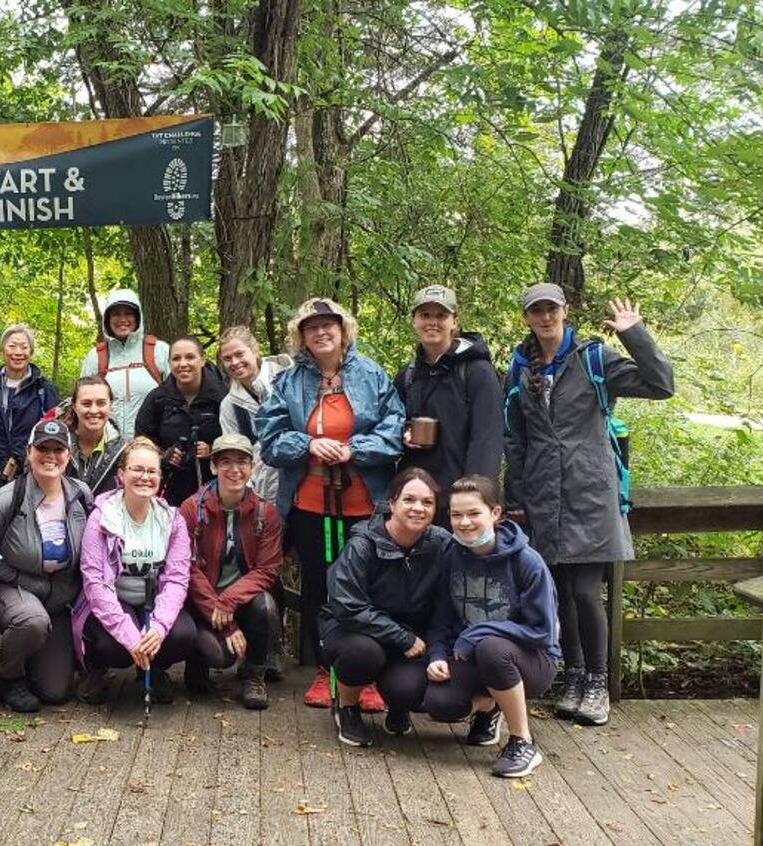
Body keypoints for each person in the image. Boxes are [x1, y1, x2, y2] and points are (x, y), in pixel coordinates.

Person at [504, 283, 673, 727]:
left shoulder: (594, 358)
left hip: (590, 490)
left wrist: (634, 334)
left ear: (565, 310)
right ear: (527, 317)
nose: (545, 317)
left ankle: (597, 680)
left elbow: (661, 384)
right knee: (559, 592)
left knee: (584, 591)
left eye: (551, 309)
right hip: (543, 493)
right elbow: (514, 436)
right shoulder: (521, 366)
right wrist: (516, 497)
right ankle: (573, 675)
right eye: (536, 311)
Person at [255, 297, 404, 710]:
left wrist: (354, 449)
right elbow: (269, 437)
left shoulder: (372, 375)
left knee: (368, 588)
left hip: (365, 503)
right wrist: (309, 443)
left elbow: (394, 430)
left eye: (328, 325)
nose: (321, 333)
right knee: (319, 587)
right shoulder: (289, 382)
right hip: (310, 504)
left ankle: (366, 673)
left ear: (343, 330)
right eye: (311, 327)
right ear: (301, 336)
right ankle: (327, 670)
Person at [424, 475, 561, 778]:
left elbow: (542, 632)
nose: (464, 522)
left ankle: (523, 741)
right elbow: (441, 619)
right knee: (439, 702)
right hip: (474, 656)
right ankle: (491, 707)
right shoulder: (452, 556)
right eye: (456, 515)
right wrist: (436, 655)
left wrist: (477, 633)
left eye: (474, 513)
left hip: (533, 660)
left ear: (495, 513)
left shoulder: (527, 562)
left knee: (492, 647)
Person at [0, 420, 93, 711]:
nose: (51, 455)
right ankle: (8, 676)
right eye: (43, 448)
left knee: (55, 690)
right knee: (33, 622)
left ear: (69, 454)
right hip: (14, 588)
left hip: (60, 597)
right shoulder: (7, 499)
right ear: (29, 452)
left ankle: (36, 657)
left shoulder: (80, 495)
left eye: (58, 449)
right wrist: (10, 575)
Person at [320, 468, 451, 747]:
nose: (418, 508)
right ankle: (347, 708)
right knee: (362, 654)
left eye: (427, 502)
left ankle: (398, 704)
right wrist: (401, 637)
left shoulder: (442, 544)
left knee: (409, 690)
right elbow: (347, 606)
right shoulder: (362, 544)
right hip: (354, 630)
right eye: (409, 500)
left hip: (411, 635)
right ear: (392, 503)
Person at [73, 437, 198, 703]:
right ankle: (97, 670)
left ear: (160, 476)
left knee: (182, 635)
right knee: (112, 646)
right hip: (113, 602)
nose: (145, 477)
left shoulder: (172, 520)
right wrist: (129, 636)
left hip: (152, 602)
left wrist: (159, 629)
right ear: (121, 474)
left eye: (152, 471)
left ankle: (154, 670)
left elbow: (177, 580)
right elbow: (95, 584)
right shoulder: (102, 517)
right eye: (137, 469)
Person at [178, 434, 283, 710]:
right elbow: (186, 569)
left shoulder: (265, 512)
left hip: (240, 600)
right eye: (225, 462)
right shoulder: (192, 508)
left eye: (242, 462)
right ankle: (197, 659)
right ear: (213, 467)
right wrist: (225, 620)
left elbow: (267, 569)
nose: (234, 470)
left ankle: (254, 674)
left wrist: (229, 601)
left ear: (252, 468)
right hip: (203, 601)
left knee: (266, 606)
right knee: (219, 657)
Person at [393, 285, 503, 518]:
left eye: (441, 315)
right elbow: (391, 426)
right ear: (414, 321)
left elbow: (486, 440)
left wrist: (474, 502)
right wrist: (403, 433)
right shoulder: (408, 376)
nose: (432, 322)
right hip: (417, 504)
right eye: (425, 315)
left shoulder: (478, 372)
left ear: (454, 321)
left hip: (459, 504)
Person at [135, 336, 226, 506]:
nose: (183, 363)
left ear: (202, 359)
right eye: (176, 358)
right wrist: (163, 456)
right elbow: (141, 443)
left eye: (190, 357)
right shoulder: (157, 399)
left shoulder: (222, 397)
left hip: (216, 489)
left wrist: (214, 451)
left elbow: (237, 439)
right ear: (169, 363)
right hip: (169, 489)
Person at [77, 288, 169, 441]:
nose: (123, 319)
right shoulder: (95, 356)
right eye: (116, 314)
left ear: (138, 317)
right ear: (107, 319)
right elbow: (81, 402)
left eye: (128, 313)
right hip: (105, 447)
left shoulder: (160, 351)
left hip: (152, 447)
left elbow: (176, 400)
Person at [217, 325, 292, 503]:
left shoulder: (288, 380)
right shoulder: (230, 405)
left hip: (301, 487)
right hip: (261, 493)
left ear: (254, 350)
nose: (234, 362)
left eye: (239, 354)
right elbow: (234, 453)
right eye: (227, 359)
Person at [0, 323, 60, 483]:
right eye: (12, 346)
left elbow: (54, 432)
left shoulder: (44, 390)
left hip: (31, 471)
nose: (18, 352)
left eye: (24, 347)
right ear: (3, 350)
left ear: (30, 351)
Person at [61, 376, 127, 496]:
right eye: (86, 404)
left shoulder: (124, 452)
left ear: (110, 405)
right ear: (75, 406)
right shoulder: (57, 446)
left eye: (101, 403)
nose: (94, 410)